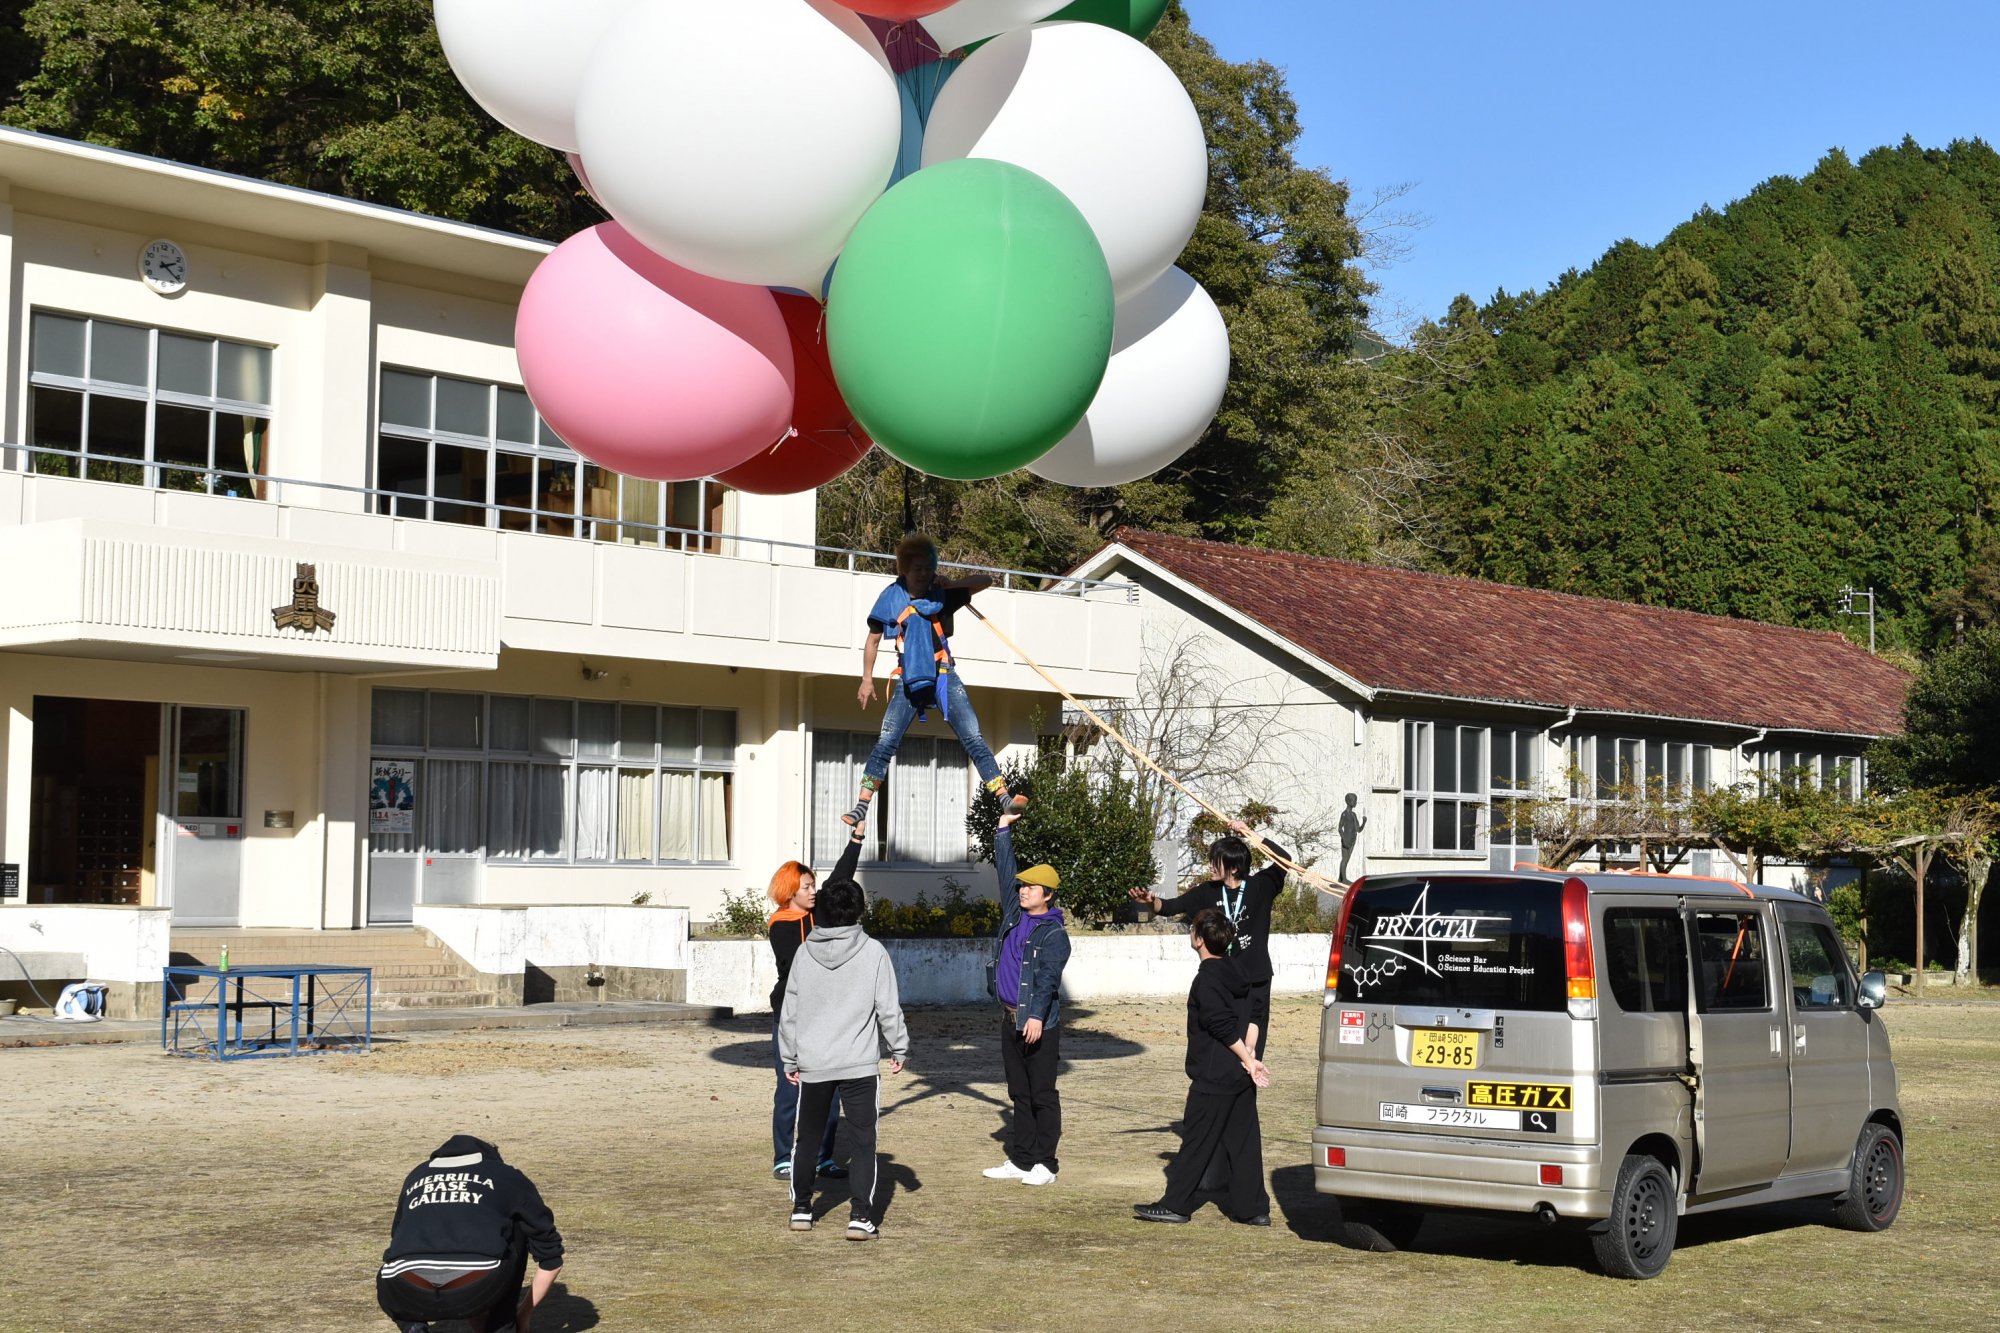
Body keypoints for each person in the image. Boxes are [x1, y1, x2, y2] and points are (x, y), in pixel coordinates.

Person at [844, 533, 1025, 830]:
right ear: (903, 570)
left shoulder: (939, 595)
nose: (923, 575)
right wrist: (866, 680)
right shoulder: (890, 599)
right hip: (908, 680)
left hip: (942, 676)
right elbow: (873, 640)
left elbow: (985, 580)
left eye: (928, 569)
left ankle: (1004, 797)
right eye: (917, 570)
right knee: (886, 741)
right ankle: (862, 805)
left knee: (973, 737)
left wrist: (950, 585)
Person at [779, 874, 909, 1240]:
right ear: (859, 911)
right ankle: (860, 1216)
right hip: (859, 1064)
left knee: (807, 1138)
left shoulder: (805, 952)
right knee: (864, 1140)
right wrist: (898, 1046)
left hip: (814, 1061)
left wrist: (789, 1056)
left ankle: (802, 1208)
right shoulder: (873, 952)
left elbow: (791, 1010)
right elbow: (888, 1007)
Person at [1133, 909, 1272, 1226]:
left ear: (1198, 939)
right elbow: (1256, 1011)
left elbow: (1220, 1026)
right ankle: (1253, 1209)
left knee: (1196, 1140)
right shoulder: (1239, 972)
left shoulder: (1207, 979)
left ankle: (1176, 1205)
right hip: (1238, 1075)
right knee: (1244, 1143)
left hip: (1215, 1074)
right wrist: (1249, 1052)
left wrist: (1248, 1058)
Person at [1128, 819, 1291, 1059]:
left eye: (1216, 862)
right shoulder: (1207, 891)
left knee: (1252, 1049)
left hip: (1256, 979)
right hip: (1223, 978)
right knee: (1226, 1043)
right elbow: (1171, 906)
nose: (1210, 866)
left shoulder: (1260, 886)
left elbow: (1284, 860)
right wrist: (1152, 902)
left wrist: (1249, 833)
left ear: (1234, 867)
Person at [376, 1134, 564, 1333]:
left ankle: (413, 1326)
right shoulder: (506, 1175)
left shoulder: (417, 1174)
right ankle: (501, 1326)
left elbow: (397, 1236)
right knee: (516, 1227)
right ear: (492, 1159)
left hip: (399, 1289)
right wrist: (523, 1317)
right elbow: (551, 1258)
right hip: (477, 1286)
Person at [982, 808, 1071, 1186]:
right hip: (1008, 1018)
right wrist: (1002, 830)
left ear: (1047, 895)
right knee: (1018, 1092)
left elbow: (1049, 980)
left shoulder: (1053, 934)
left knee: (1042, 1093)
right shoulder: (1014, 917)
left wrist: (1034, 1016)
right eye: (1022, 887)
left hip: (1037, 1023)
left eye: (1031, 888)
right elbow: (1005, 870)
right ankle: (1020, 1159)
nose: (1022, 890)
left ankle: (1045, 1164)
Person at [767, 849, 850, 1182]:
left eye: (814, 885)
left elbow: (842, 877)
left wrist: (856, 838)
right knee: (790, 1089)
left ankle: (821, 1157)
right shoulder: (781, 924)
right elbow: (793, 965)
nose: (813, 891)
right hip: (792, 1017)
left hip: (826, 1017)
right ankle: (783, 1156)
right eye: (806, 887)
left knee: (830, 1092)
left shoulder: (822, 914)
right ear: (790, 892)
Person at [1338, 792, 1367, 883]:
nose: (1355, 803)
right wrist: (1344, 839)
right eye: (1354, 801)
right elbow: (1339, 828)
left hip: (1352, 840)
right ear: (1348, 801)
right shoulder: (1344, 814)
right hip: (1346, 840)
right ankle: (1343, 879)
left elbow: (1358, 829)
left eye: (1356, 801)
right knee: (1345, 859)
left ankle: (1341, 878)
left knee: (1347, 859)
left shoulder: (1353, 815)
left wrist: (1364, 822)